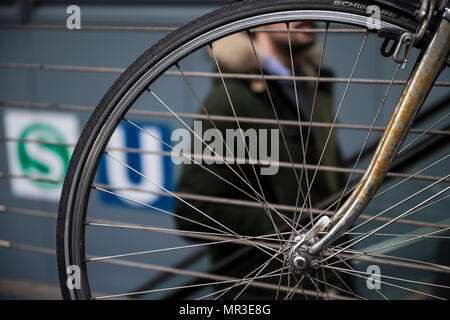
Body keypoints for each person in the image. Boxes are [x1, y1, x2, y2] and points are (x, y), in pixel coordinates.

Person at [173, 22, 348, 299]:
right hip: (266, 290)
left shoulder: (312, 84)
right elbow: (193, 212)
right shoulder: (230, 99)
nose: (307, 9)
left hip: (327, 276)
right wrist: (292, 228)